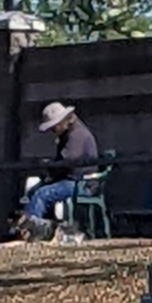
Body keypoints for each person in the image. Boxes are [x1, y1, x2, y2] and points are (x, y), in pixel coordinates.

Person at [19, 98, 100, 233]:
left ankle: (32, 230)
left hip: (81, 183)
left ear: (63, 121)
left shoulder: (76, 135)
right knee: (34, 191)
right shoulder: (70, 134)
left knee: (42, 194)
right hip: (73, 179)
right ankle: (41, 227)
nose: (53, 130)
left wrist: (50, 166)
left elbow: (68, 162)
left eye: (54, 126)